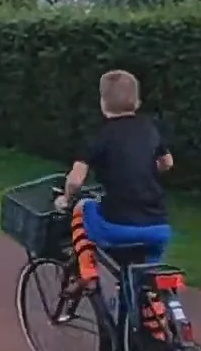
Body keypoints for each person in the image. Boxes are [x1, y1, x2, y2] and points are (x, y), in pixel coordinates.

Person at [60, 70, 172, 292]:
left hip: (117, 225)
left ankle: (87, 271)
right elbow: (167, 162)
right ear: (137, 102)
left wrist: (66, 198)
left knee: (81, 209)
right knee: (144, 285)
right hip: (158, 225)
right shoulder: (149, 128)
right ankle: (150, 315)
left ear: (103, 103)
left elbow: (75, 180)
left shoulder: (100, 135)